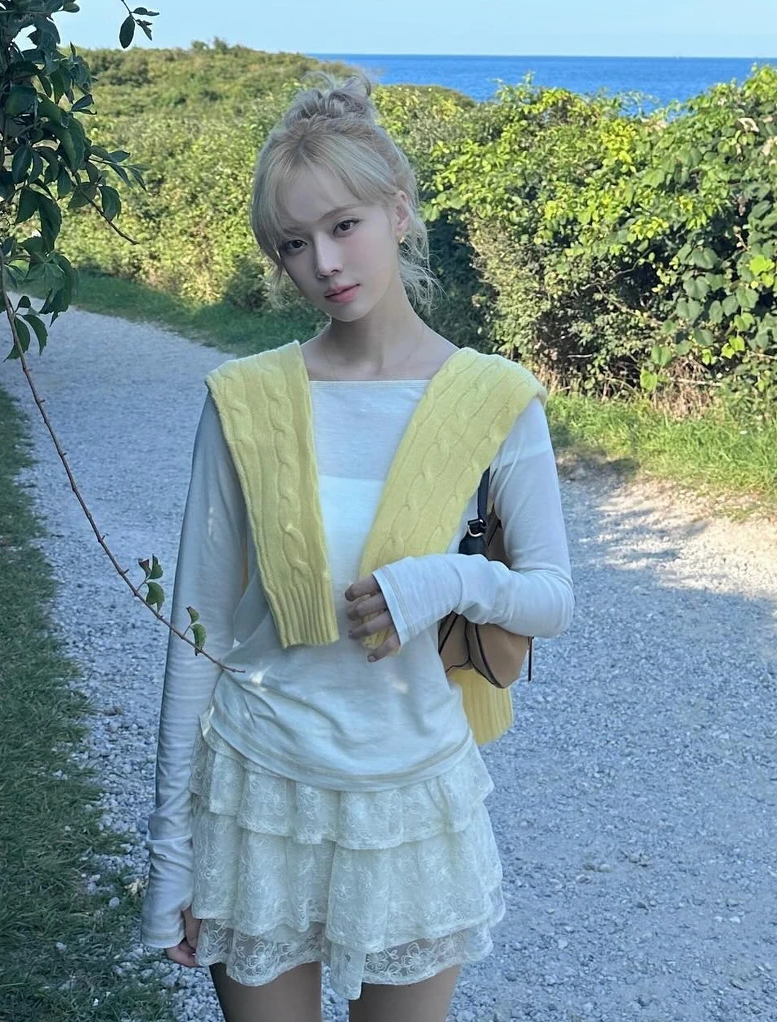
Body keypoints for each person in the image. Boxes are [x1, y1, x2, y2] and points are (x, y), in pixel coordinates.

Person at [140, 70, 574, 1022]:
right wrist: (169, 851)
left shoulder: (495, 398)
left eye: (345, 225)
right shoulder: (245, 400)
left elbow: (551, 596)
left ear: (399, 210)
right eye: (294, 244)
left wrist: (447, 580)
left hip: (414, 803)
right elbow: (195, 634)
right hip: (260, 794)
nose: (325, 263)